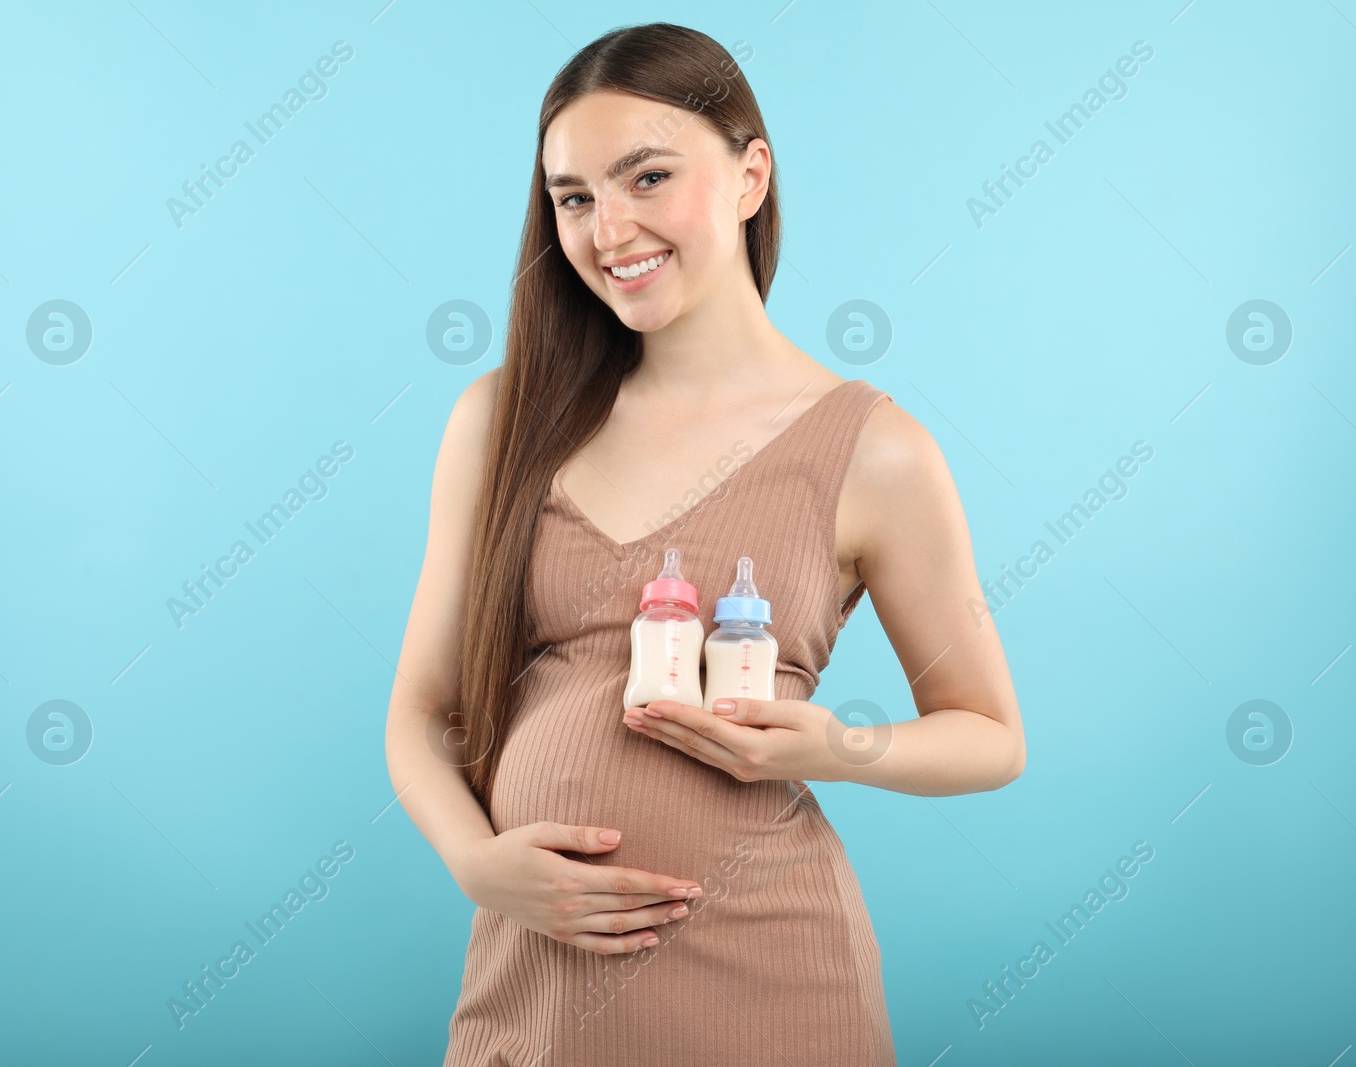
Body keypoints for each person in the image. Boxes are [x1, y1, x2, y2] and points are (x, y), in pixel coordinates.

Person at [384, 21, 1024, 1066]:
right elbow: (421, 711)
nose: (607, 228)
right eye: (574, 196)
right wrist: (475, 861)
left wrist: (840, 746)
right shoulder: (500, 421)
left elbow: (991, 733)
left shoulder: (876, 450)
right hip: (536, 978)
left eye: (648, 176)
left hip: (771, 977)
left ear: (748, 175)